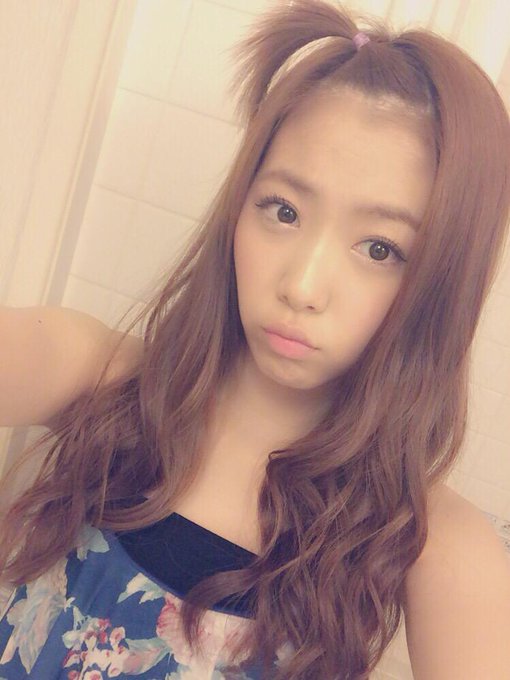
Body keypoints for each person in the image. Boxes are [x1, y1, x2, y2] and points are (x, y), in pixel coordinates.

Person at [1, 0, 510, 677]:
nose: (302, 285)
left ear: (440, 282)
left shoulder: (433, 545)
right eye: (284, 210)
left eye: (380, 248)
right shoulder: (100, 378)